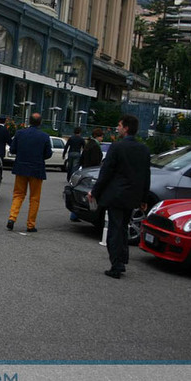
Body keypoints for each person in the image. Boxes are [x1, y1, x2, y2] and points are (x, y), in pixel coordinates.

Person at [87, 115, 150, 279]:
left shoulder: (117, 147)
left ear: (126, 128)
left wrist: (95, 191)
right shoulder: (143, 149)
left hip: (116, 195)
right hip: (132, 196)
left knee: (115, 230)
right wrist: (144, 198)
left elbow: (106, 172)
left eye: (119, 125)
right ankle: (122, 259)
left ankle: (117, 264)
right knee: (123, 228)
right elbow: (146, 175)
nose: (117, 128)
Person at [6, 113, 53, 233]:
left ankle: (12, 218)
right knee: (34, 198)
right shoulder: (44, 136)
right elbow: (48, 154)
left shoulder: (20, 133)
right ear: (40, 122)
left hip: (21, 167)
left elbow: (12, 149)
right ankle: (30, 225)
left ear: (29, 121)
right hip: (37, 169)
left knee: (18, 194)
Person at [69, 128, 104, 222]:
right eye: (101, 136)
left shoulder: (89, 144)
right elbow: (96, 160)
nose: (102, 139)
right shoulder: (95, 146)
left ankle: (74, 214)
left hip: (85, 169)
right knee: (88, 193)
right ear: (98, 136)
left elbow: (82, 157)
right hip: (91, 171)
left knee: (80, 192)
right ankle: (77, 214)